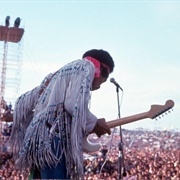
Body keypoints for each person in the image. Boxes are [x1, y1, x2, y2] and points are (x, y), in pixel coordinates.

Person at [8, 49, 115, 179]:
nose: (98, 87)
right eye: (103, 81)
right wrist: (94, 122)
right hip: (54, 142)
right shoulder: (86, 67)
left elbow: (23, 102)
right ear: (101, 69)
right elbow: (73, 104)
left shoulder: (56, 75)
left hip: (38, 141)